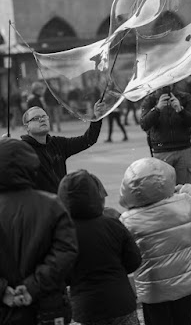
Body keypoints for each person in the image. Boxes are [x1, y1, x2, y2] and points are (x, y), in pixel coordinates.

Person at [119, 157, 191, 325]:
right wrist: (187, 189)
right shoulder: (184, 202)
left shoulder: (127, 220)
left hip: (152, 290)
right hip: (184, 283)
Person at [0, 138, 78, 325]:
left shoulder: (51, 205)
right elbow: (65, 252)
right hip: (48, 307)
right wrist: (31, 287)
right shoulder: (51, 204)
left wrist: (4, 290)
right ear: (31, 164)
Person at [58, 169, 142, 325]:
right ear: (95, 195)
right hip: (121, 301)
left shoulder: (63, 234)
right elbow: (134, 261)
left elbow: (61, 274)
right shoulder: (112, 224)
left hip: (86, 308)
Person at [21, 102, 104, 194]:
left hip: (60, 202)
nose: (42, 120)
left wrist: (96, 117)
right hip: (38, 204)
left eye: (44, 117)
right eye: (36, 118)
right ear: (26, 127)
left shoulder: (58, 143)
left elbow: (88, 140)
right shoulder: (21, 149)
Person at [140, 84, 191, 185]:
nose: (166, 84)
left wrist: (181, 110)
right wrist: (157, 109)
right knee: (164, 189)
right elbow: (144, 125)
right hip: (161, 151)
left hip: (183, 150)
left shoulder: (185, 97)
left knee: (184, 189)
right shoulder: (150, 100)